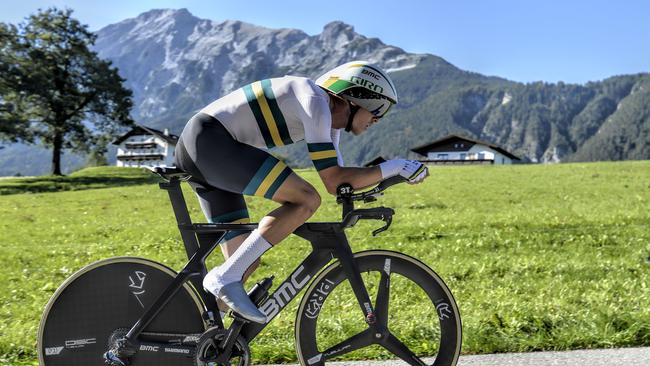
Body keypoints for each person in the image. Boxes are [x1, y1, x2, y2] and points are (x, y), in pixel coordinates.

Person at [174, 61, 428, 323]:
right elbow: (333, 180)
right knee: (306, 199)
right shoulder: (315, 102)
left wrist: (383, 177)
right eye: (378, 108)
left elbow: (340, 182)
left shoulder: (327, 120)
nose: (378, 119)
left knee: (244, 262)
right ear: (354, 98)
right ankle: (223, 278)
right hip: (210, 143)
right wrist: (396, 166)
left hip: (203, 147)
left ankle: (202, 337)